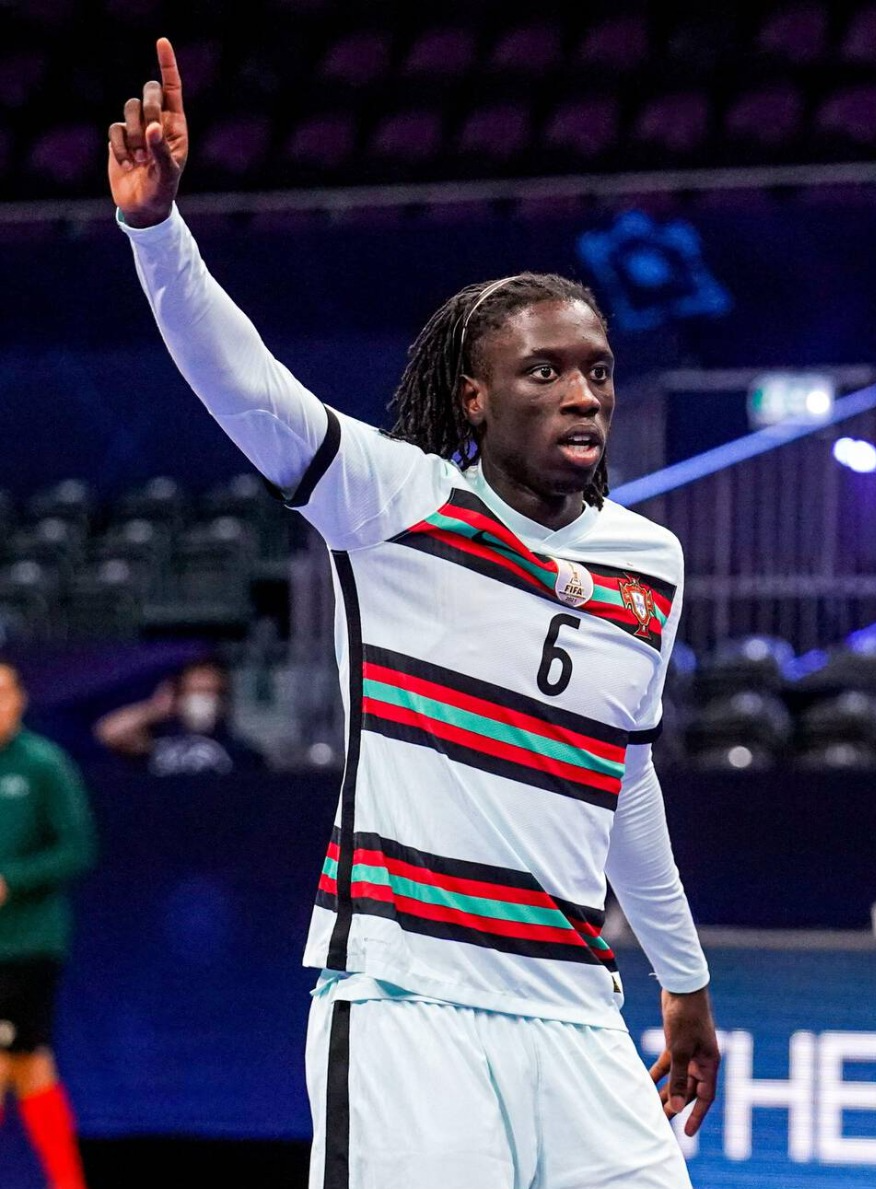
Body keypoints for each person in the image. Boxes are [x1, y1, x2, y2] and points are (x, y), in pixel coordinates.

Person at [107, 39, 720, 1189]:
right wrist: (158, 234)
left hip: (581, 1016)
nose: (583, 391)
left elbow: (622, 780)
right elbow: (246, 386)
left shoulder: (653, 559)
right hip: (408, 1006)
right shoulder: (395, 503)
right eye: (544, 372)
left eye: (596, 368)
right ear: (474, 398)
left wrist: (684, 982)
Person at [0, 662, 96, 1189]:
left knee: (14, 1061)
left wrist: (12, 879)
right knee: (31, 1066)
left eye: (2, 694)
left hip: (29, 943)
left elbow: (79, 848)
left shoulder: (42, 764)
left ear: (19, 701)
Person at [94, 657, 265, 775]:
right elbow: (108, 733)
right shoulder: (154, 742)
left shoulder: (239, 750)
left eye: (210, 692)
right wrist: (156, 709)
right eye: (194, 691)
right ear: (179, 696)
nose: (202, 698)